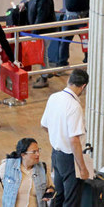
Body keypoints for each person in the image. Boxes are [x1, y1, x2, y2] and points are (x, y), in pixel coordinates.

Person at [40, 69, 89, 206]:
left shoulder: (53, 97)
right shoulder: (74, 106)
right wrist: (83, 168)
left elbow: (44, 125)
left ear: (69, 80)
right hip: (70, 158)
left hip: (56, 154)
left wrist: (57, 135)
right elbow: (74, 140)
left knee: (58, 195)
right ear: (83, 86)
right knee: (71, 198)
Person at [0, 138, 55, 207]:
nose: (38, 154)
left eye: (38, 150)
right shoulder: (8, 167)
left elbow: (51, 186)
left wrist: (50, 191)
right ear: (23, 155)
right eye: (34, 152)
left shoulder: (43, 168)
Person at [22, 0, 56, 89]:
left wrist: (34, 35)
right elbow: (32, 3)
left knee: (42, 55)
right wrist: (25, 5)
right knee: (43, 54)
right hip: (38, 30)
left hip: (44, 31)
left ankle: (44, 77)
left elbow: (41, 18)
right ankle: (46, 72)